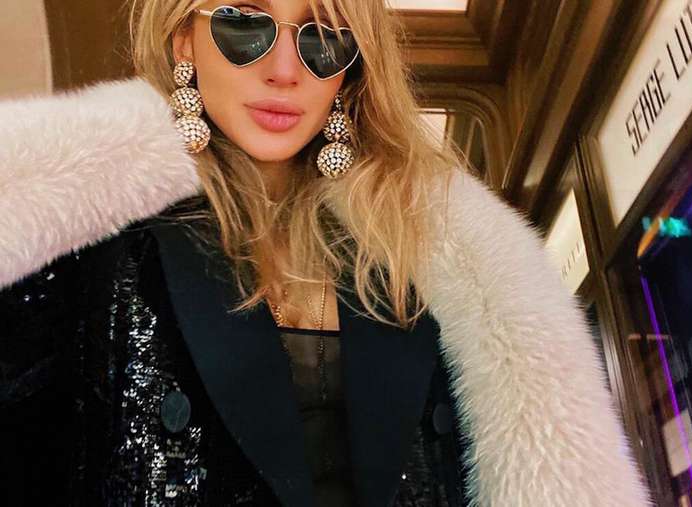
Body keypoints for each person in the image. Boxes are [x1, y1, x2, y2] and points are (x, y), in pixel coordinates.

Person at [0, 0, 650, 505]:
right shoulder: (94, 246)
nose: (285, 70)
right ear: (184, 41)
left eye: (324, 36)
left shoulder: (434, 264)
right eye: (243, 24)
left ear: (349, 70)